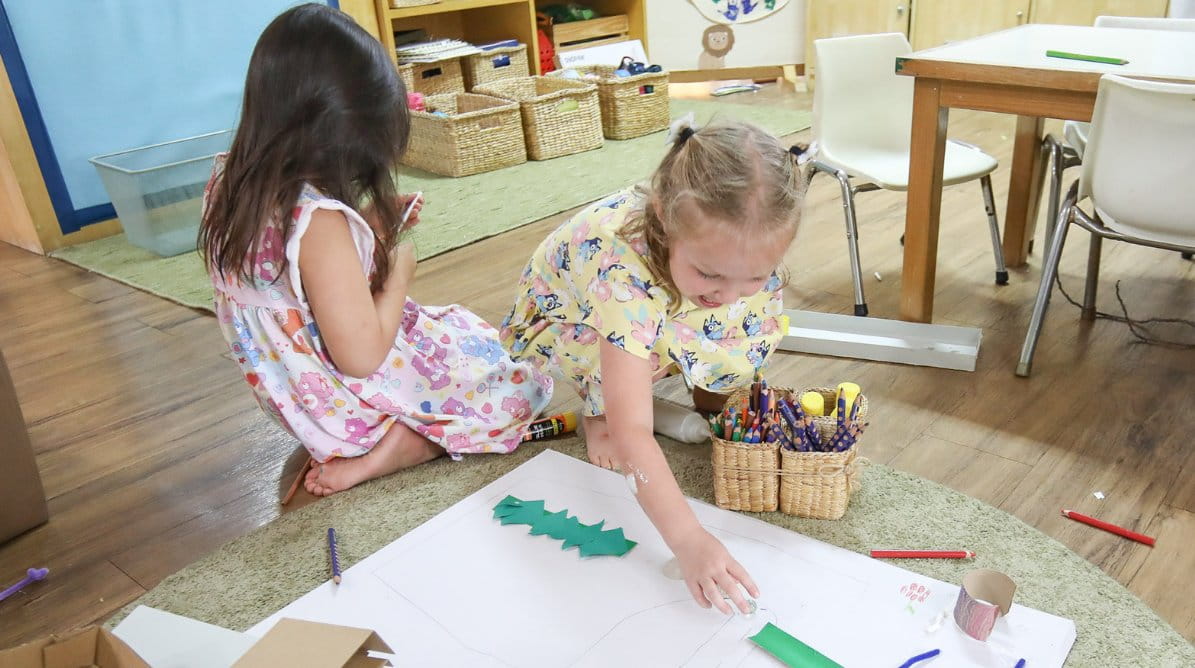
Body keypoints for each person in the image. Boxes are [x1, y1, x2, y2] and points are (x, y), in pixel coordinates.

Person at [199, 4, 551, 497]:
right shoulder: (318, 221)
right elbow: (362, 356)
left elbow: (297, 282)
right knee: (516, 388)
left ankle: (378, 436)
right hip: (346, 409)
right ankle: (403, 446)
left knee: (462, 335)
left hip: (298, 401)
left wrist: (369, 227)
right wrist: (399, 271)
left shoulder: (229, 181)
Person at [500, 115, 805, 613]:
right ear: (664, 217)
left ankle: (700, 378)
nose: (730, 294)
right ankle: (597, 412)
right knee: (625, 380)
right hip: (569, 318)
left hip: (655, 295)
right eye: (709, 273)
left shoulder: (726, 257)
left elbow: (730, 291)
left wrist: (727, 292)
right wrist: (689, 540)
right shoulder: (622, 275)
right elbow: (635, 432)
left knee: (733, 319)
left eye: (754, 276)